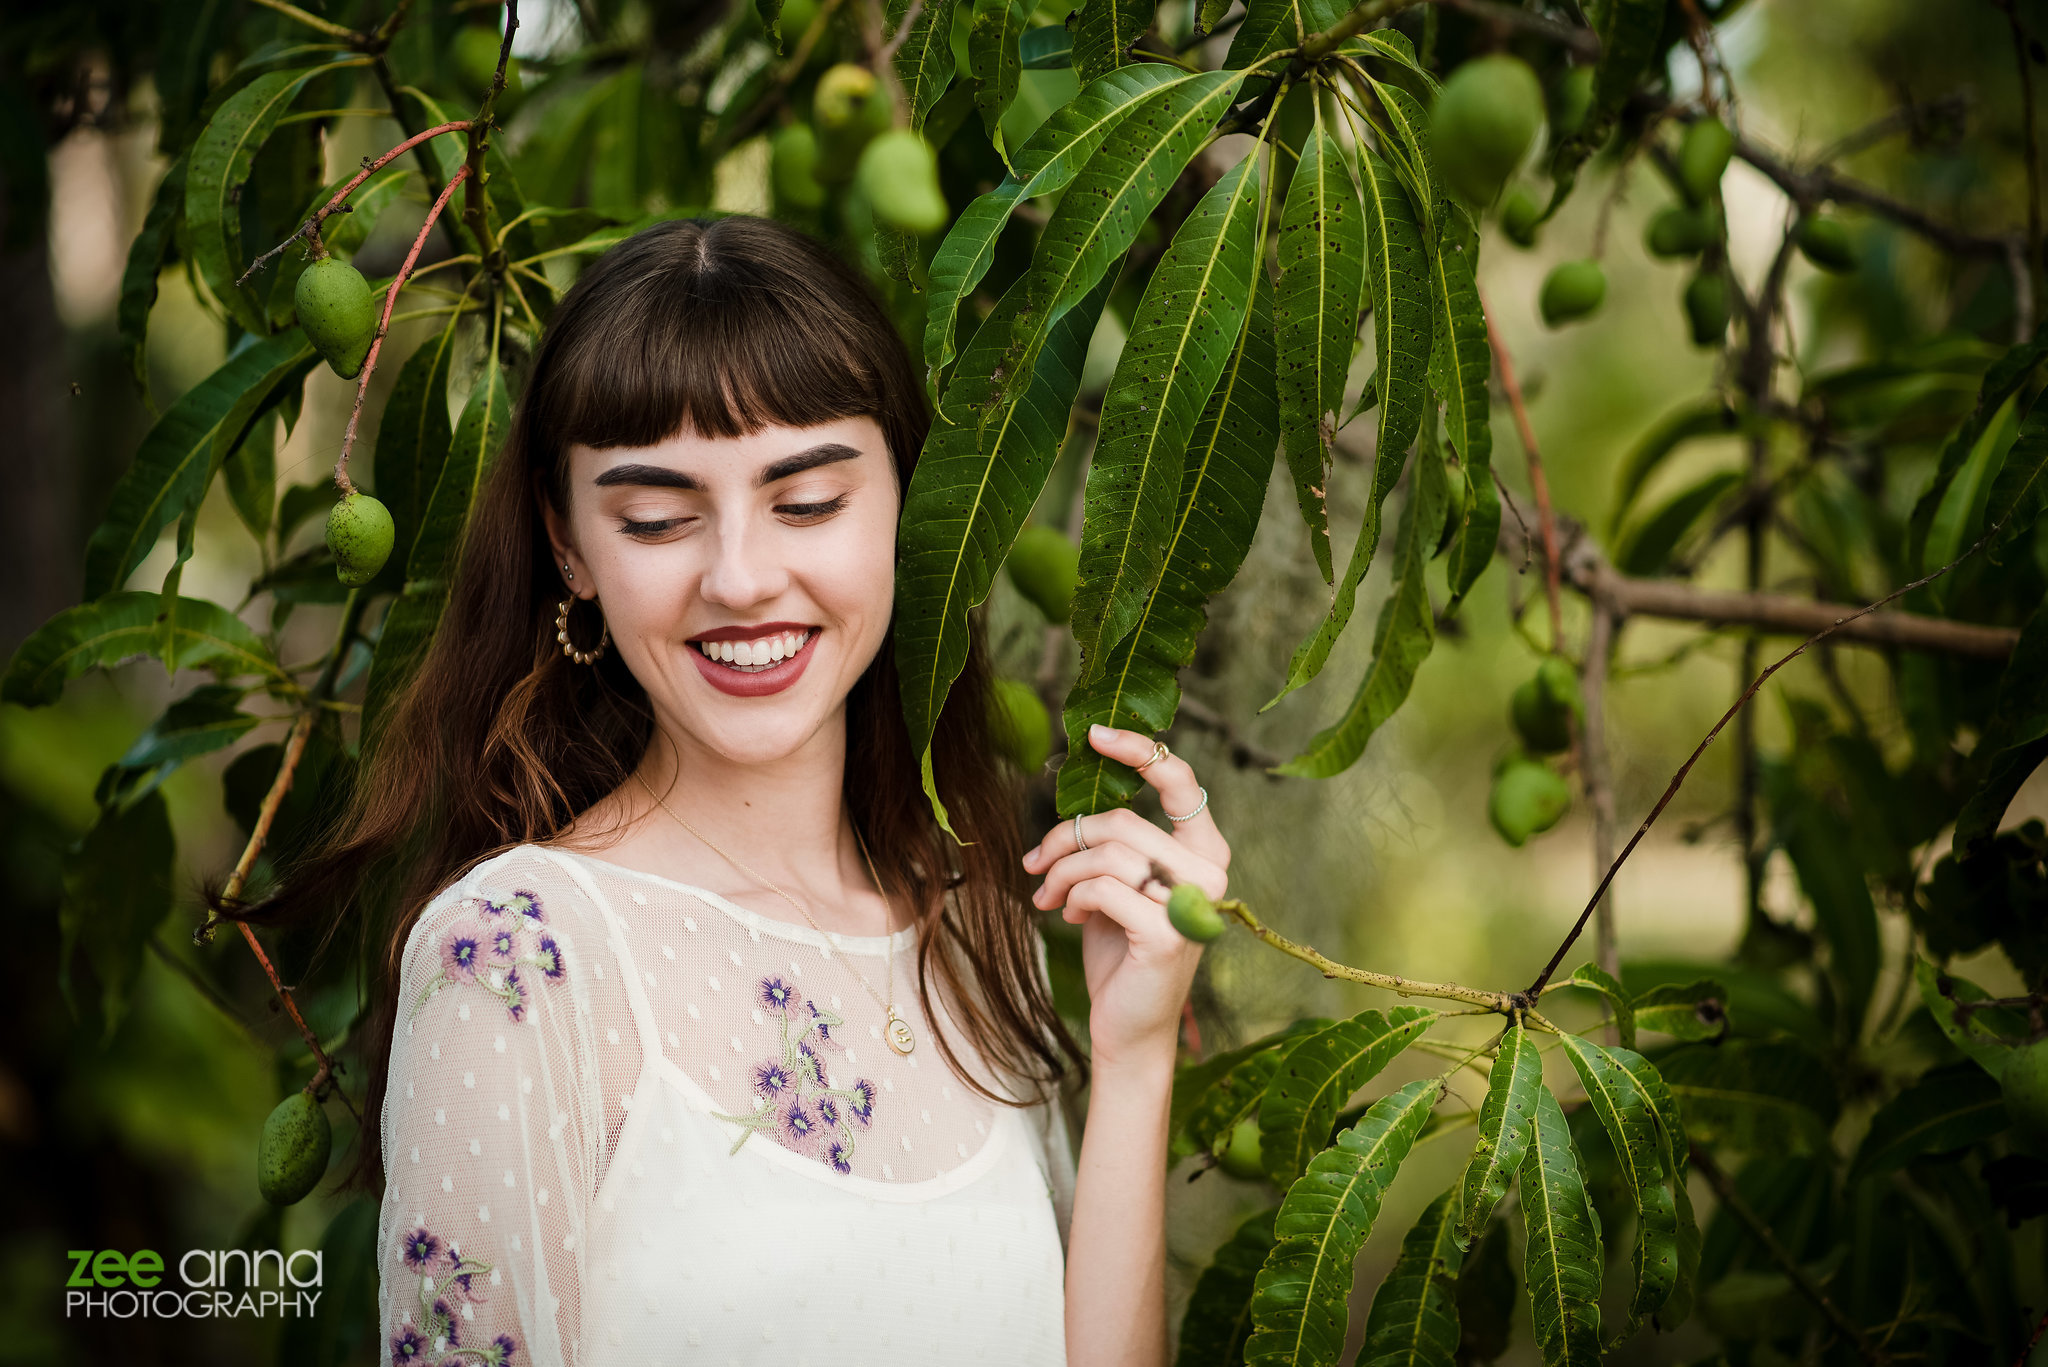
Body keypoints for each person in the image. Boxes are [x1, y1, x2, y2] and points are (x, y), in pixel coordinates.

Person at [254, 215, 1232, 1367]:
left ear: (908, 507)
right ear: (569, 548)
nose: (739, 576)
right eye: (657, 519)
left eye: (807, 501)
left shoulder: (970, 932)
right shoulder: (515, 951)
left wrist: (1134, 1056)